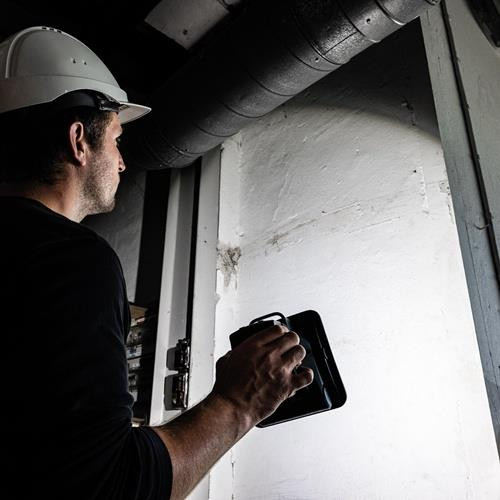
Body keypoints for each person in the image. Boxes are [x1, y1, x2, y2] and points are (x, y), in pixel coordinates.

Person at [0, 26, 313, 499]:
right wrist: (239, 402)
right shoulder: (70, 259)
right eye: (116, 140)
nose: (122, 162)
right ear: (79, 140)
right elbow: (111, 487)